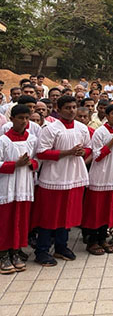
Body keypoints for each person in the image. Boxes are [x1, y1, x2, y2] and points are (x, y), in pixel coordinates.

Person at [33, 95, 91, 266]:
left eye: (73, 107)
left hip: (74, 176)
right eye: (67, 108)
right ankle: (42, 250)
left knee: (67, 214)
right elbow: (42, 152)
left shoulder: (82, 128)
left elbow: (89, 148)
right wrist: (68, 152)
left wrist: (83, 152)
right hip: (54, 178)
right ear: (58, 110)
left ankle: (61, 246)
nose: (71, 111)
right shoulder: (51, 129)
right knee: (49, 215)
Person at [82, 104, 113, 254]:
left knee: (108, 209)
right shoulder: (100, 132)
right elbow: (97, 156)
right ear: (107, 116)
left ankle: (103, 238)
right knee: (97, 209)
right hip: (101, 176)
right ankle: (92, 241)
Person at [0, 105, 38, 274]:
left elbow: (38, 160)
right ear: (11, 119)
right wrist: (15, 164)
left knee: (20, 220)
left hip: (24, 186)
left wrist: (31, 163)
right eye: (20, 118)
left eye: (27, 118)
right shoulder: (3, 140)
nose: (24, 121)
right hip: (7, 186)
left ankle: (15, 251)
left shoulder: (32, 139)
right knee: (5, 221)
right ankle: (3, 254)